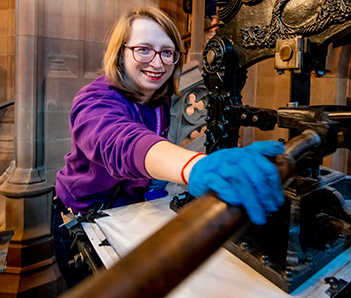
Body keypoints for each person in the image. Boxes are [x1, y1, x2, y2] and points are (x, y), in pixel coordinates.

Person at [51, 6, 285, 289]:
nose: (158, 63)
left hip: (127, 211)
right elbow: (122, 142)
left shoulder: (157, 98)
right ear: (120, 52)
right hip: (83, 219)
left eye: (167, 52)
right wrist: (194, 166)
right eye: (144, 49)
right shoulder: (93, 100)